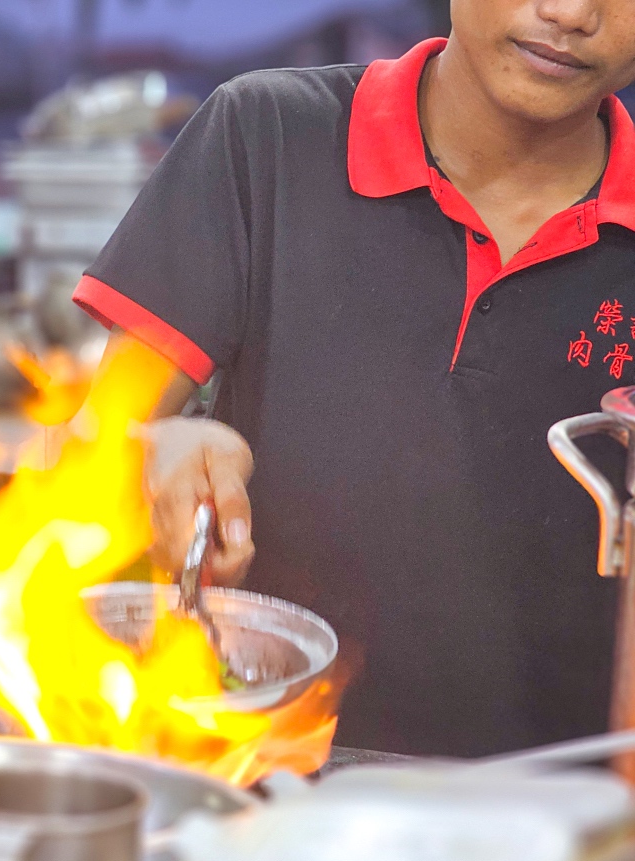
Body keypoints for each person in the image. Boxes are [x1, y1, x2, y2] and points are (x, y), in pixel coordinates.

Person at [72, 0, 635, 757]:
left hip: (560, 824)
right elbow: (94, 451)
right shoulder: (266, 137)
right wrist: (160, 446)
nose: (570, 12)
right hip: (268, 789)